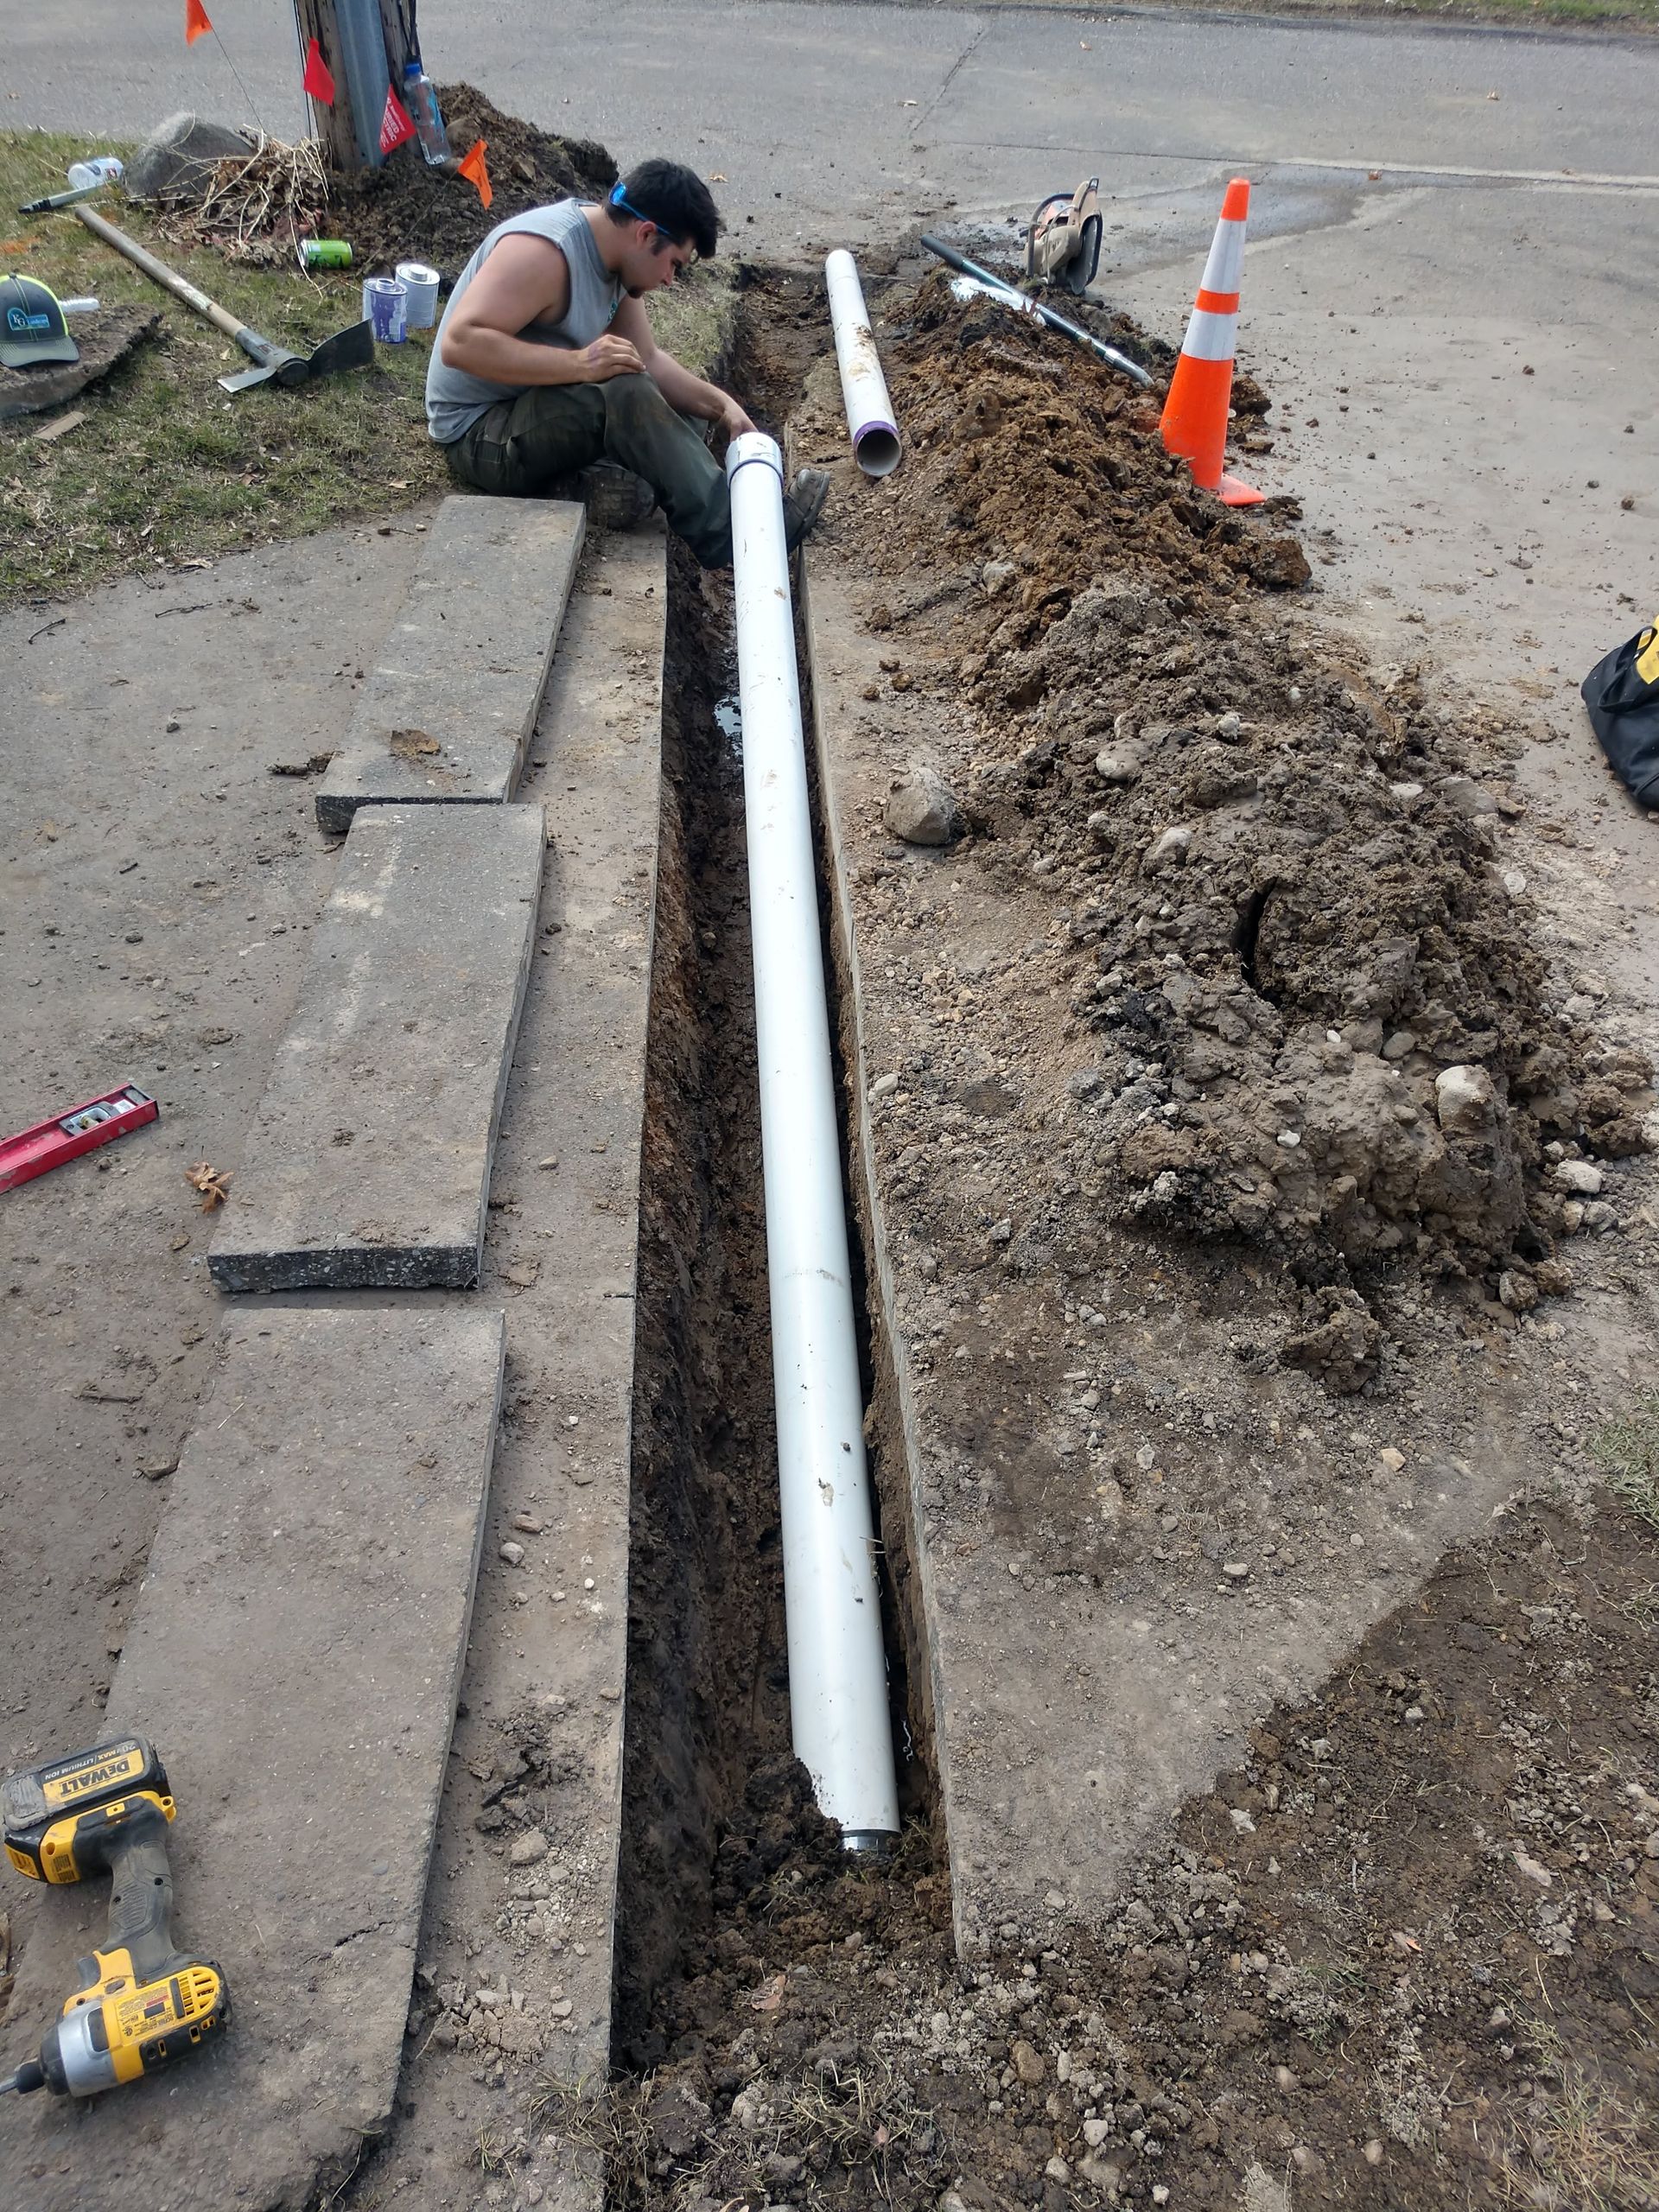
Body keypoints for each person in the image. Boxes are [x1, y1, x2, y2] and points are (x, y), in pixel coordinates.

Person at [426, 160, 827, 568]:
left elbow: (648, 359)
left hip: (532, 408)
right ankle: (728, 535)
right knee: (625, 392)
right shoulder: (545, 254)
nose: (669, 280)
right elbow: (460, 344)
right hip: (480, 433)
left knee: (681, 412)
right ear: (646, 233)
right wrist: (580, 364)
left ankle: (597, 484)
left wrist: (723, 407)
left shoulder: (616, 258)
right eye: (674, 264)